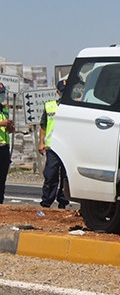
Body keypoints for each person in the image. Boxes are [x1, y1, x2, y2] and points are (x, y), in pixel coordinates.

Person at [39, 80, 70, 209]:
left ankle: (63, 201)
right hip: (53, 146)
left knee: (66, 176)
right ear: (58, 92)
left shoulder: (72, 109)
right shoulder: (50, 106)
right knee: (51, 175)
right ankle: (46, 202)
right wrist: (41, 142)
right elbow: (43, 125)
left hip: (68, 147)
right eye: (62, 91)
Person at [0, 83, 15, 204]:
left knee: (2, 178)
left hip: (4, 147)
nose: (2, 96)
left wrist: (10, 127)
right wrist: (2, 123)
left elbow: (8, 130)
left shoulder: (4, 109)